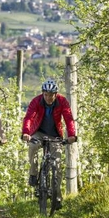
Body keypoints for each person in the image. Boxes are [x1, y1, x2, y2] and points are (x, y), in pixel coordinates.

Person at [21, 79, 77, 209]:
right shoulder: (36, 101)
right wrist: (26, 132)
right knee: (33, 146)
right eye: (46, 94)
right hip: (38, 132)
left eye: (51, 95)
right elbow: (29, 117)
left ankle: (57, 197)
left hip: (55, 135)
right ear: (42, 93)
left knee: (56, 166)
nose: (48, 97)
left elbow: (68, 118)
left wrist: (72, 135)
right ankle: (33, 174)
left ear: (56, 94)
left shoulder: (62, 101)